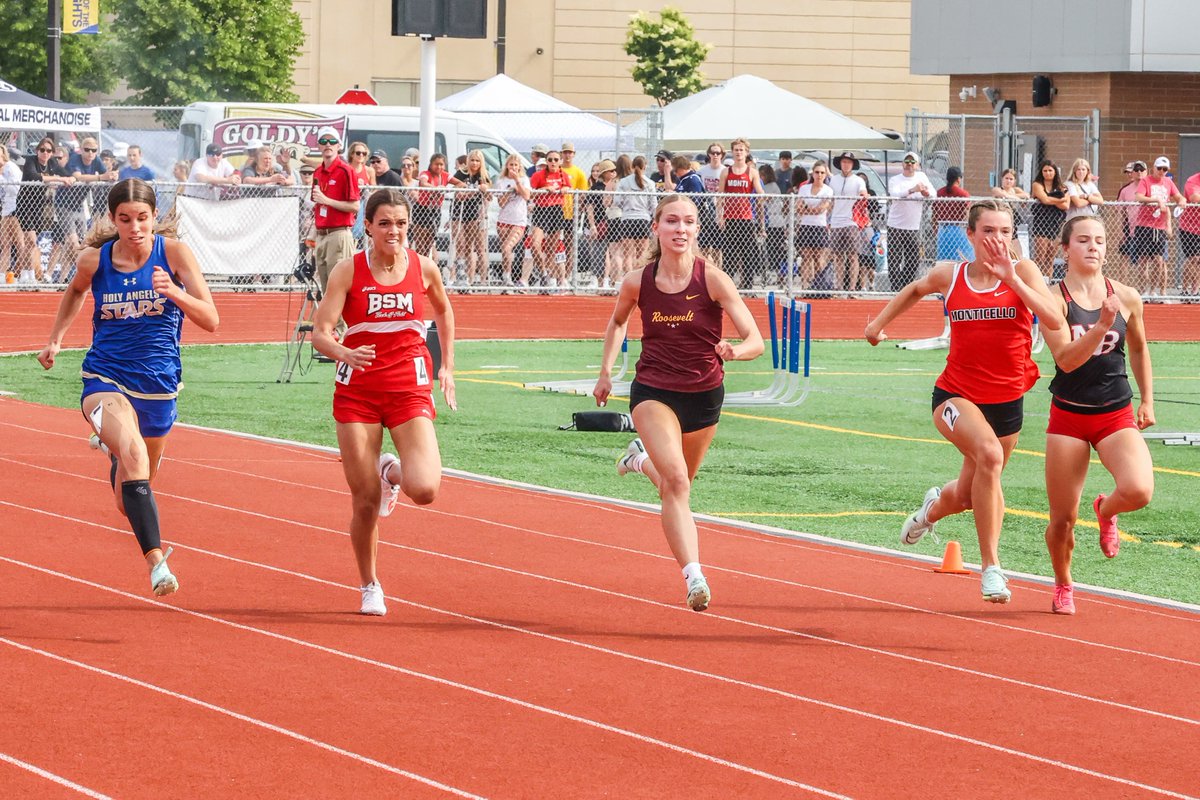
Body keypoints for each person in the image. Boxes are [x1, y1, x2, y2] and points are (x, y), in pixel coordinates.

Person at [865, 199, 1064, 604]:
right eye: (988, 231)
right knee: (990, 457)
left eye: (1005, 232)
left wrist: (1014, 279)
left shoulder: (1023, 272)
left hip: (1007, 401)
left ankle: (929, 512)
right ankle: (991, 568)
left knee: (967, 495)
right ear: (970, 235)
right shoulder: (951, 275)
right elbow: (915, 289)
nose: (997, 239)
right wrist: (877, 324)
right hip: (955, 396)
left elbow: (1055, 318)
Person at [36, 178, 219, 596]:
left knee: (128, 496)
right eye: (124, 219)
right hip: (104, 377)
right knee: (134, 454)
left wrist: (174, 291)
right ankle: (157, 563)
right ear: (112, 219)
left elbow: (211, 319)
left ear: (155, 217)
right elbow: (75, 292)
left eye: (142, 218)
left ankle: (112, 448)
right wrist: (56, 339)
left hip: (158, 385)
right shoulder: (93, 260)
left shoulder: (172, 254)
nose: (134, 227)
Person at [593, 194, 763, 612]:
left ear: (697, 229)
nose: (680, 229)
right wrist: (606, 371)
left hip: (704, 395)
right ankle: (694, 576)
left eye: (688, 222)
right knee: (678, 484)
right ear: (656, 227)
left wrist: (735, 352)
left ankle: (638, 459)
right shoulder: (638, 281)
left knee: (679, 483)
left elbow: (756, 340)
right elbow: (617, 322)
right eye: (672, 221)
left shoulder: (714, 280)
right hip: (654, 391)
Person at [310, 189, 456, 616]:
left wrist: (447, 366)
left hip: (409, 387)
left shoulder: (424, 268)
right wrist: (344, 352)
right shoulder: (347, 271)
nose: (394, 231)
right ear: (368, 226)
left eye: (401, 224)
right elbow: (321, 331)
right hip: (358, 391)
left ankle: (393, 468)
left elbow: (445, 312)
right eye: (385, 223)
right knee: (365, 498)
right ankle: (369, 582)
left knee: (425, 488)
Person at [1041, 216, 1155, 615]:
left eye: (1100, 241)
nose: (1093, 247)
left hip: (1115, 413)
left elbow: (1138, 348)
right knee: (1062, 521)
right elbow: (1066, 361)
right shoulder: (1054, 299)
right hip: (1069, 416)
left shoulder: (1127, 295)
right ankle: (1063, 583)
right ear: (1065, 248)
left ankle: (1105, 510)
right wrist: (1102, 323)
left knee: (1139, 490)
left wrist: (1147, 401)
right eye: (1084, 240)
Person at [311, 126, 361, 297]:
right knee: (326, 289)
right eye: (323, 141)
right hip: (322, 234)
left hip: (338, 234)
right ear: (318, 146)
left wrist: (327, 201)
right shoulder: (318, 171)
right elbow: (318, 206)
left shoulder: (346, 171)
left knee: (340, 287)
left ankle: (343, 325)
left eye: (332, 141)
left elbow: (355, 206)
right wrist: (313, 235)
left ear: (339, 145)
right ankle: (331, 324)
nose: (328, 145)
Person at [17, 137, 73, 282]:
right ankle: (28, 275)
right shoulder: (31, 160)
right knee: (31, 240)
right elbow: (32, 175)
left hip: (39, 206)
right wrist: (57, 178)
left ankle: (25, 274)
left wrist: (70, 179)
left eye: (49, 151)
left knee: (30, 244)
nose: (45, 153)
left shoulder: (53, 163)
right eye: (42, 150)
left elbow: (66, 174)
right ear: (37, 151)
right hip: (25, 204)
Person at [1133, 156, 1185, 301]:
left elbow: (1178, 196)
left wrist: (1182, 201)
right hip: (1144, 225)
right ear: (1154, 168)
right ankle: (1143, 291)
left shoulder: (1168, 182)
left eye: (1165, 169)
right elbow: (1139, 197)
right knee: (1143, 259)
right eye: (1159, 168)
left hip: (1159, 226)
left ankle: (1154, 291)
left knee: (1159, 260)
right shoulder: (1145, 181)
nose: (1162, 172)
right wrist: (1156, 200)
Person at [885, 151, 935, 290]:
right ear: (902, 164)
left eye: (912, 162)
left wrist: (926, 193)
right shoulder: (895, 179)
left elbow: (933, 194)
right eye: (907, 162)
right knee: (894, 258)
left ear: (917, 165)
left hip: (913, 226)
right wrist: (912, 190)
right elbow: (895, 194)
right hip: (895, 225)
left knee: (913, 258)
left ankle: (906, 285)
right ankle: (895, 287)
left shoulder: (921, 177)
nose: (909, 165)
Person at [718, 137, 764, 287]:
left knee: (748, 254)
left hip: (745, 217)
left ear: (746, 152)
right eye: (736, 150)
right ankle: (728, 286)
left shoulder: (752, 172)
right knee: (729, 254)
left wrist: (763, 199)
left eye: (741, 150)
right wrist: (720, 216)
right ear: (732, 152)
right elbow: (720, 196)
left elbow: (759, 192)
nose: (738, 152)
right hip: (730, 217)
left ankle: (748, 285)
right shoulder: (726, 171)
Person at [612, 155, 657, 284]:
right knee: (642, 253)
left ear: (632, 167)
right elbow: (653, 205)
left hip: (627, 219)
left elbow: (617, 201)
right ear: (645, 167)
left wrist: (627, 208)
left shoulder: (624, 182)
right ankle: (642, 281)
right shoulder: (650, 183)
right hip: (643, 219)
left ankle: (629, 281)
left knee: (627, 254)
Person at [529, 149, 571, 287]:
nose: (553, 162)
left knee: (552, 248)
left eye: (556, 159)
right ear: (546, 161)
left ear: (560, 161)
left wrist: (565, 189)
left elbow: (567, 188)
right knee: (535, 244)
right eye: (550, 159)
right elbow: (530, 194)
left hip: (556, 210)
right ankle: (543, 271)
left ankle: (549, 277)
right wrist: (543, 189)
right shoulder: (538, 175)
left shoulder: (563, 175)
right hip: (541, 210)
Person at [449, 149, 491, 287]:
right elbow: (457, 193)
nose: (474, 163)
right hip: (458, 212)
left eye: (477, 160)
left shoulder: (483, 176)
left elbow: (490, 197)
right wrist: (472, 192)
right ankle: (460, 274)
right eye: (472, 160)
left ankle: (469, 277)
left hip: (474, 214)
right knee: (459, 243)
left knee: (469, 247)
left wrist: (485, 190)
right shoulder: (462, 173)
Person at [829, 152, 868, 294]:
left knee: (853, 255)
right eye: (844, 162)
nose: (846, 165)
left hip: (851, 221)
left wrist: (864, 195)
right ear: (840, 164)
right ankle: (838, 286)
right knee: (837, 256)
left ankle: (852, 288)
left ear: (852, 165)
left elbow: (863, 192)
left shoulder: (858, 180)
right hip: (836, 221)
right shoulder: (833, 179)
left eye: (849, 162)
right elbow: (830, 199)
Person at [494, 152, 531, 287]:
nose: (514, 167)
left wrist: (517, 182)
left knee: (507, 247)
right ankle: (506, 276)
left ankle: (507, 277)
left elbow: (527, 196)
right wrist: (509, 192)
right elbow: (501, 203)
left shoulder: (524, 179)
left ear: (519, 166)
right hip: (504, 220)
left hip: (519, 220)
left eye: (516, 165)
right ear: (507, 166)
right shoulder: (501, 181)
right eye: (511, 165)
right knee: (505, 251)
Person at [796, 159, 833, 291]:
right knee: (806, 257)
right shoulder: (804, 188)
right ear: (812, 174)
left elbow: (822, 209)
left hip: (820, 226)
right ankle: (805, 285)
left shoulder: (828, 190)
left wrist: (807, 207)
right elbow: (798, 208)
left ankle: (820, 285)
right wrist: (810, 208)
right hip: (805, 226)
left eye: (822, 172)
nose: (819, 175)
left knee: (818, 258)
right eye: (817, 172)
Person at [1030, 159, 1069, 279]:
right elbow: (1045, 200)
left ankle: (1048, 281)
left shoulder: (1062, 187)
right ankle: (1036, 281)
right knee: (1040, 256)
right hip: (1041, 222)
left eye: (1050, 170)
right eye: (1045, 171)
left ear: (1055, 172)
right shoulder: (1037, 185)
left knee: (1050, 257)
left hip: (1056, 222)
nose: (1048, 173)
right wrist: (1060, 199)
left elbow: (1065, 206)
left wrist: (1051, 200)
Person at [412, 153, 449, 261]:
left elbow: (460, 183)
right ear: (431, 164)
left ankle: (426, 265)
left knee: (429, 244)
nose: (439, 167)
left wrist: (449, 189)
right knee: (420, 244)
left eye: (441, 164)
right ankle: (420, 266)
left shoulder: (445, 176)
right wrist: (436, 188)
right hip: (422, 209)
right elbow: (423, 182)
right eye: (436, 164)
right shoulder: (425, 173)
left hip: (435, 210)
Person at [1115, 162, 1146, 288]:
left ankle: (1142, 290)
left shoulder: (1147, 188)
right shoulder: (1125, 190)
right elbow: (1119, 212)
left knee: (1144, 260)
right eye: (1134, 171)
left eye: (1141, 170)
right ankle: (1122, 288)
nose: (1136, 173)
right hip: (1129, 229)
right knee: (1124, 258)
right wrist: (1120, 230)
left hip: (1145, 229)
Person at [933, 166, 973, 261]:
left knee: (943, 260)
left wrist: (935, 227)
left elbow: (934, 213)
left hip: (942, 229)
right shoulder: (963, 194)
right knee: (959, 259)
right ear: (958, 179)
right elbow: (966, 212)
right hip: (958, 229)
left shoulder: (939, 192)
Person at [1180, 166, 1200, 301]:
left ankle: (1195, 290)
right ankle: (1185, 289)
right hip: (1189, 227)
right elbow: (1194, 198)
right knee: (1193, 258)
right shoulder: (1192, 181)